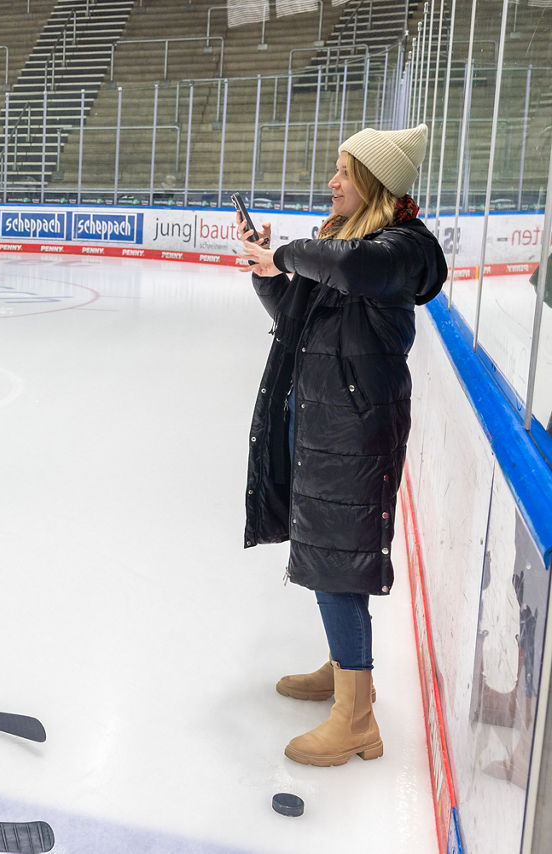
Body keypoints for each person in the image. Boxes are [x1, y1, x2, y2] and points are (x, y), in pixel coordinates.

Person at [237, 123, 447, 767]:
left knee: (338, 557)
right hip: (323, 419)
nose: (332, 182)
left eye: (345, 172)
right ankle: (344, 667)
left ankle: (357, 719)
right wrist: (266, 268)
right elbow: (293, 316)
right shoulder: (344, 239)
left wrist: (288, 253)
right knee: (328, 550)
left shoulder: (401, 248)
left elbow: (353, 269)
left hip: (356, 428)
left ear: (375, 184)